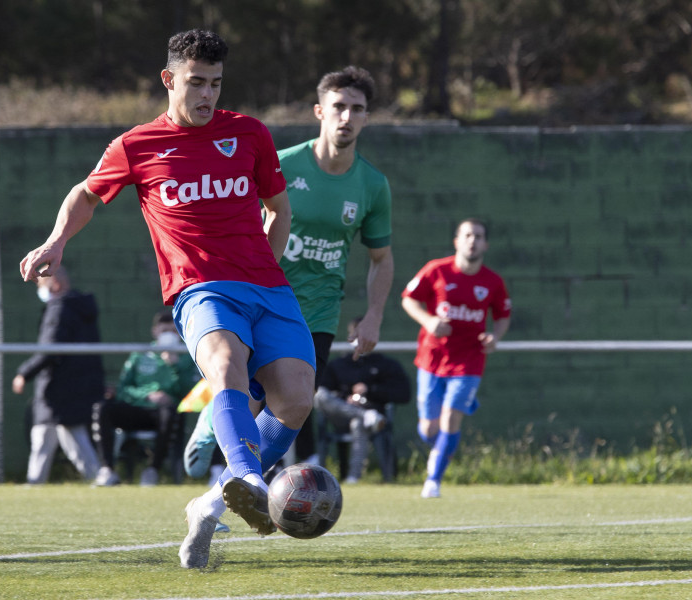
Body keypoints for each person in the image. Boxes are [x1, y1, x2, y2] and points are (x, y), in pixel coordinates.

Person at [18, 29, 316, 570]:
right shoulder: (137, 145)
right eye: (196, 82)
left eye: (216, 84)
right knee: (226, 362)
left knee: (296, 398)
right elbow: (86, 193)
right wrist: (56, 241)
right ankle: (249, 478)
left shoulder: (249, 134)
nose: (207, 95)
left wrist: (268, 267)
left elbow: (280, 211)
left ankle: (210, 502)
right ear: (169, 79)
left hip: (268, 288)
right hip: (199, 287)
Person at [182, 65, 395, 475]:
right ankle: (220, 439)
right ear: (319, 111)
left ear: (367, 117)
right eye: (338, 107)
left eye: (357, 108)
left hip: (317, 314)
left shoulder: (372, 185)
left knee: (288, 408)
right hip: (262, 298)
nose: (346, 117)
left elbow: (381, 259)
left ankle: (227, 489)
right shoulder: (283, 164)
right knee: (251, 395)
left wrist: (374, 315)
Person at [401, 218, 511, 498]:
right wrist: (428, 320)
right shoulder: (436, 270)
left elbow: (502, 315)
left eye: (478, 236)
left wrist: (495, 338)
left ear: (486, 244)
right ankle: (439, 449)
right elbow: (408, 299)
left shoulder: (493, 282)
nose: (472, 240)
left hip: (469, 361)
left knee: (451, 420)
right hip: (432, 359)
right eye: (467, 235)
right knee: (429, 429)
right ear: (457, 241)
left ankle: (433, 480)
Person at [12, 266, 103, 484]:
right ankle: (97, 478)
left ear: (55, 283)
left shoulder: (59, 308)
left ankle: (36, 483)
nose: (40, 289)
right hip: (76, 385)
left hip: (58, 387)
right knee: (61, 434)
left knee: (50, 434)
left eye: (41, 283)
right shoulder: (80, 308)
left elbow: (50, 349)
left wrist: (24, 373)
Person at [91, 310, 200, 487]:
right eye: (165, 330)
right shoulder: (140, 355)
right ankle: (107, 470)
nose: (169, 335)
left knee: (169, 413)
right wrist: (147, 395)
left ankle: (153, 470)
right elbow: (123, 389)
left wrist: (174, 366)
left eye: (174, 331)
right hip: (137, 410)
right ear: (155, 331)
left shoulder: (186, 357)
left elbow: (188, 393)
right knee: (103, 408)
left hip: (165, 414)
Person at [314, 316, 410, 483]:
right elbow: (325, 390)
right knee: (319, 395)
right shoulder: (338, 365)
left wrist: (371, 391)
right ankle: (364, 415)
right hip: (341, 415)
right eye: (356, 334)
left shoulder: (386, 364)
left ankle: (353, 477)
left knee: (358, 423)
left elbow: (403, 394)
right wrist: (345, 398)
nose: (360, 339)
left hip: (372, 418)